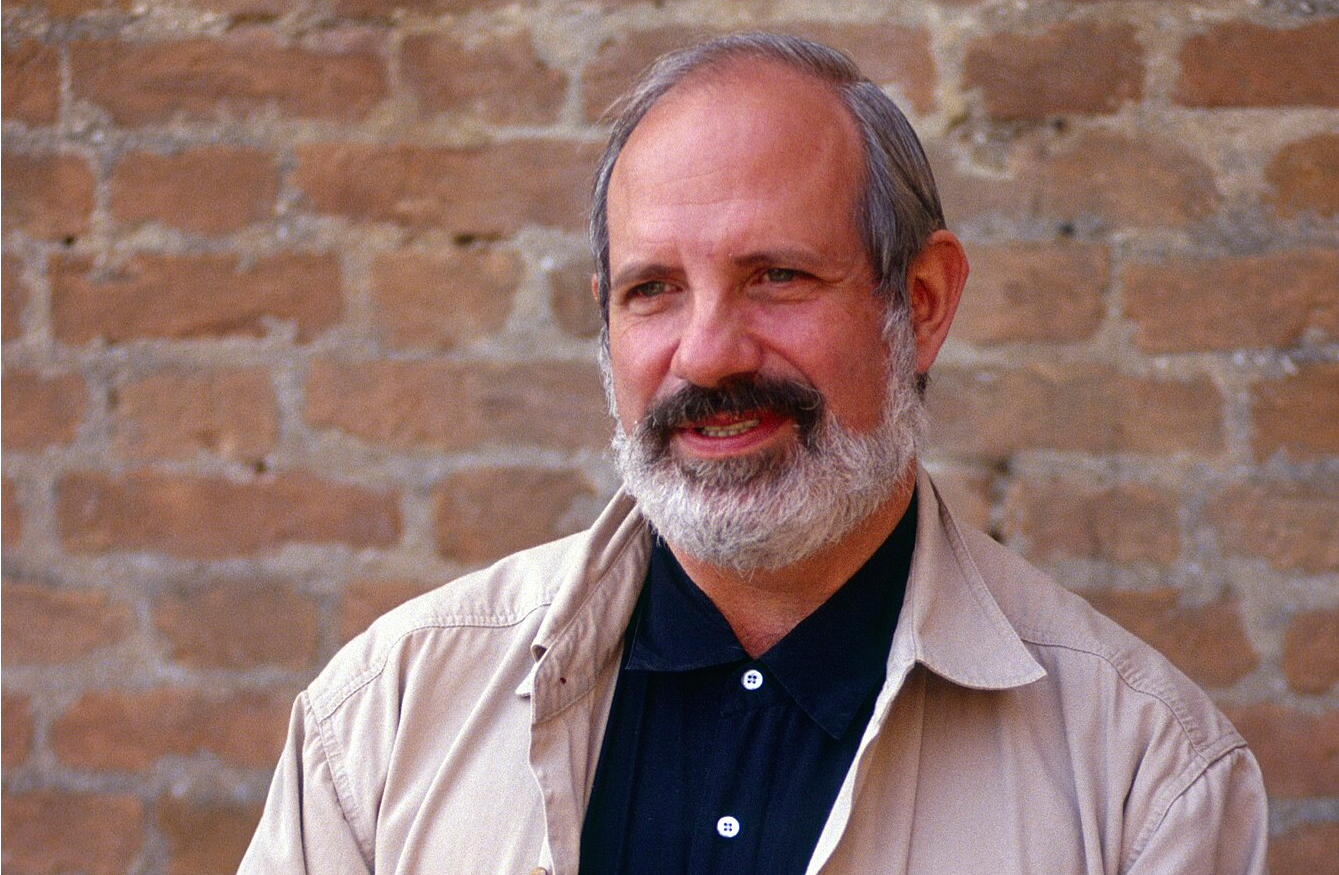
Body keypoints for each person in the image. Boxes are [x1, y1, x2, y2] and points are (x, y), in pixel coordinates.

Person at [240, 33, 1267, 875]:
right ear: (606, 323)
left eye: (775, 275)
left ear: (918, 304)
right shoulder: (383, 715)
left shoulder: (1147, 776)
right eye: (654, 289)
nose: (707, 351)